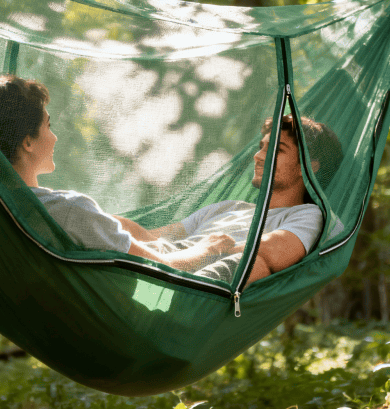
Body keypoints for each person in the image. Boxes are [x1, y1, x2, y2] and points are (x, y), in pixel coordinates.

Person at [0, 75, 236, 272]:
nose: (55, 137)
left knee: (126, 224)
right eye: (48, 126)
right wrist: (210, 248)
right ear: (28, 142)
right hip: (165, 282)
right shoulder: (68, 210)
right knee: (249, 237)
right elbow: (164, 267)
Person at [116, 115, 344, 284]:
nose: (258, 156)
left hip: (190, 285)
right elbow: (155, 238)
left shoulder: (310, 215)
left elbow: (275, 253)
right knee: (104, 223)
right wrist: (116, 224)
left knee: (255, 263)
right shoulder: (228, 208)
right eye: (261, 147)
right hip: (157, 260)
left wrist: (206, 251)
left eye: (276, 149)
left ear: (309, 167)